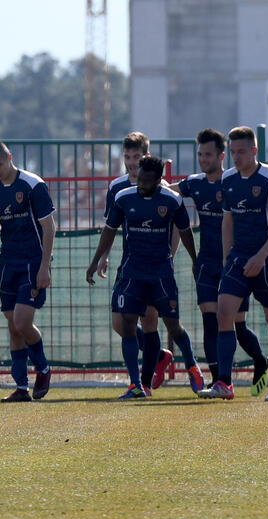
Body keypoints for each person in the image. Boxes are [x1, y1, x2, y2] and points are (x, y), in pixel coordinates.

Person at [85, 155, 205, 398]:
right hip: (132, 272)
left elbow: (185, 231)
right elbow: (109, 231)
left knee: (173, 325)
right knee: (127, 324)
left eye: (147, 180)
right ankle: (135, 384)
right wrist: (95, 261)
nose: (141, 183)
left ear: (159, 180)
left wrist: (195, 261)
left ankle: (192, 366)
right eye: (139, 178)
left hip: (161, 274)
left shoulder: (172, 200)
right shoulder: (124, 197)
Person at [198, 126, 268, 401]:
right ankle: (224, 383)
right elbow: (227, 219)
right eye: (234, 152)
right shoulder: (228, 179)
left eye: (242, 151)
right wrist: (228, 255)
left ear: (254, 151)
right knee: (224, 314)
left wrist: (261, 256)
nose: (237, 157)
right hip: (238, 260)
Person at [173, 128, 268, 393]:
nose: (203, 160)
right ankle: (218, 379)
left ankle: (260, 359)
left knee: (237, 325)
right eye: (200, 155)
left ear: (221, 155)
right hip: (206, 262)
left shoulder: (233, 180)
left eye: (208, 155)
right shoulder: (194, 183)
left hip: (233, 262)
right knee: (209, 319)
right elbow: (166, 192)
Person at [0, 138, 58, 402]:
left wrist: (45, 266)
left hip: (33, 262)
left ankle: (43, 368)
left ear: (9, 157)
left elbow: (49, 227)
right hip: (7, 263)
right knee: (13, 327)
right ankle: (21, 387)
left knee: (23, 321)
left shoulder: (33, 185)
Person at [99, 131, 174, 393]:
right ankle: (160, 358)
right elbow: (110, 226)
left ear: (147, 156)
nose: (132, 162)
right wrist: (104, 255)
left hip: (156, 267)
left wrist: (169, 258)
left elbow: (175, 228)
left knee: (150, 321)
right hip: (130, 265)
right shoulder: (116, 187)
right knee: (120, 323)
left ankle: (143, 383)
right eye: (128, 156)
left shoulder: (162, 189)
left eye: (137, 156)